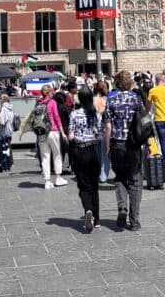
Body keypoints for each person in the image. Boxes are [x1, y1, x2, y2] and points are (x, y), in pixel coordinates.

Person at [104, 70, 143, 231]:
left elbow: (107, 126)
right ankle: (134, 221)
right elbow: (143, 123)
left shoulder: (111, 98)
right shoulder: (136, 98)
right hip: (133, 144)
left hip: (117, 143)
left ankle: (122, 207)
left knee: (120, 177)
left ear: (117, 83)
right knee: (135, 179)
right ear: (130, 83)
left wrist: (107, 147)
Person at [68, 86, 103, 233]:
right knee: (94, 184)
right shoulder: (96, 114)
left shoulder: (74, 114)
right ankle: (96, 218)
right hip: (93, 150)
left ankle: (88, 209)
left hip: (80, 151)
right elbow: (99, 135)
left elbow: (70, 136)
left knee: (83, 184)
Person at [36, 84, 67, 189]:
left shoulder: (38, 103)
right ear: (50, 92)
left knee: (45, 157)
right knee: (57, 154)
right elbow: (57, 118)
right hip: (53, 131)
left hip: (41, 133)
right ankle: (58, 178)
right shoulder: (52, 102)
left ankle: (47, 181)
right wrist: (62, 132)